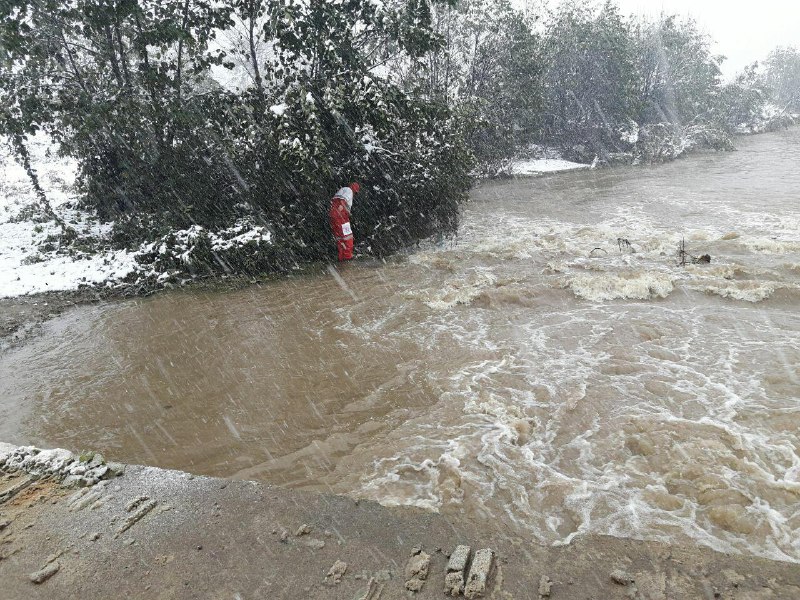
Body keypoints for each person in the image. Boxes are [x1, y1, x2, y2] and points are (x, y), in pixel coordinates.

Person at [329, 182, 360, 261]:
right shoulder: (349, 191)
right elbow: (343, 201)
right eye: (355, 193)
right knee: (348, 237)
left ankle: (341, 258)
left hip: (333, 216)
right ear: (355, 190)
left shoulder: (342, 189)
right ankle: (347, 258)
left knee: (340, 239)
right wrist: (343, 210)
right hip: (341, 217)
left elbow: (333, 201)